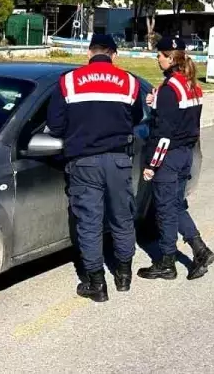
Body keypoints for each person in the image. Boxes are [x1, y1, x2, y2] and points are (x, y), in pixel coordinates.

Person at [47, 34, 140, 302]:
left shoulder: (68, 81)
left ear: (89, 53)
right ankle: (124, 276)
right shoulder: (130, 82)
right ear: (114, 55)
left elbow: (54, 125)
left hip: (84, 161)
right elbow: (133, 119)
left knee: (89, 223)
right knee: (122, 218)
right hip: (119, 159)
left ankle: (96, 284)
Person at [138, 35, 214, 281]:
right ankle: (200, 250)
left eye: (159, 55)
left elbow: (164, 133)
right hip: (185, 154)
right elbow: (184, 121)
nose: (157, 59)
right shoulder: (191, 85)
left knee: (164, 210)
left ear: (170, 58)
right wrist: (156, 103)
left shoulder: (170, 89)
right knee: (176, 205)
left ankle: (166, 262)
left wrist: (152, 165)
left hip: (169, 157)